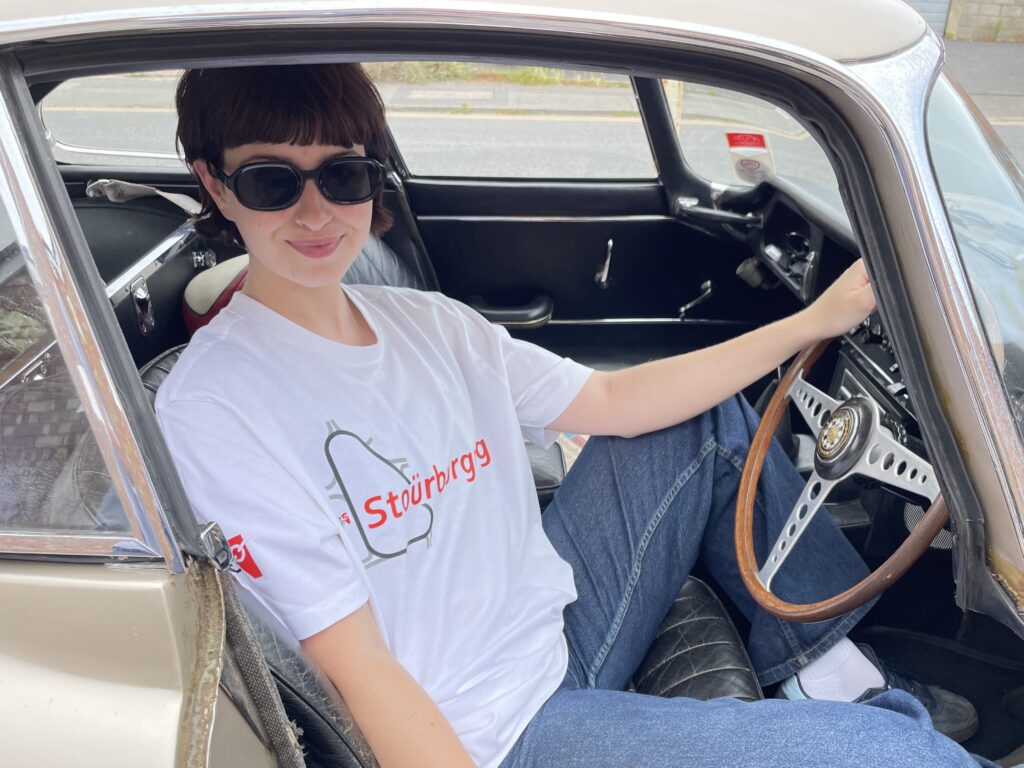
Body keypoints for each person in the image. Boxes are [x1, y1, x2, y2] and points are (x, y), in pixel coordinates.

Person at [158, 63, 996, 768]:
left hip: (549, 617)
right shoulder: (216, 407)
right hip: (495, 726)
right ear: (213, 183)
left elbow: (611, 402)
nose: (314, 213)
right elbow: (357, 670)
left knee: (701, 421)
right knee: (908, 757)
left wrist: (812, 322)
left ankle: (824, 668)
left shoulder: (427, 325)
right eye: (273, 181)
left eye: (341, 175)